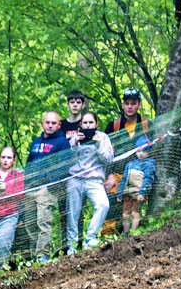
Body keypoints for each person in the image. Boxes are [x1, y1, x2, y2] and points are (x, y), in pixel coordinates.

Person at [65, 113, 113, 253]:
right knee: (73, 213)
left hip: (94, 179)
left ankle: (91, 238)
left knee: (103, 204)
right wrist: (74, 143)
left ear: (96, 124)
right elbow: (65, 159)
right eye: (85, 123)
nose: (88, 126)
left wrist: (98, 145)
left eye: (91, 122)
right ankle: (72, 246)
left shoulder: (103, 137)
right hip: (75, 179)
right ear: (80, 125)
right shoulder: (74, 137)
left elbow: (109, 159)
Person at [25, 113, 71, 261]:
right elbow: (29, 162)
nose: (50, 125)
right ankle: (34, 256)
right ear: (43, 123)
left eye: (53, 123)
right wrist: (26, 181)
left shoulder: (62, 142)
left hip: (47, 188)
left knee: (43, 221)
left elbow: (65, 165)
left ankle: (42, 255)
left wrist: (52, 183)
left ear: (59, 125)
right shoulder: (36, 141)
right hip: (31, 187)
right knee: (30, 223)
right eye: (47, 122)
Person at [110, 90, 155, 230]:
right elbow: (106, 153)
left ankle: (133, 233)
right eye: (127, 103)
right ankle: (108, 235)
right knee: (112, 202)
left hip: (139, 174)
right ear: (122, 105)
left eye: (133, 103)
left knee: (135, 208)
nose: (130, 106)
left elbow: (153, 150)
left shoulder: (147, 124)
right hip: (117, 172)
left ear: (139, 105)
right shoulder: (113, 125)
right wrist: (109, 174)